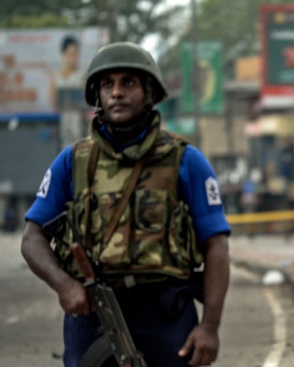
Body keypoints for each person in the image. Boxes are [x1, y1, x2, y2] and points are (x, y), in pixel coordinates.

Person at [20, 42, 231, 367]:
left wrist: (211, 327)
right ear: (98, 95)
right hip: (94, 313)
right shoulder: (72, 162)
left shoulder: (185, 160)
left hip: (165, 315)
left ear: (149, 92)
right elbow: (32, 238)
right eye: (108, 84)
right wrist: (64, 284)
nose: (117, 92)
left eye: (128, 83)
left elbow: (216, 245)